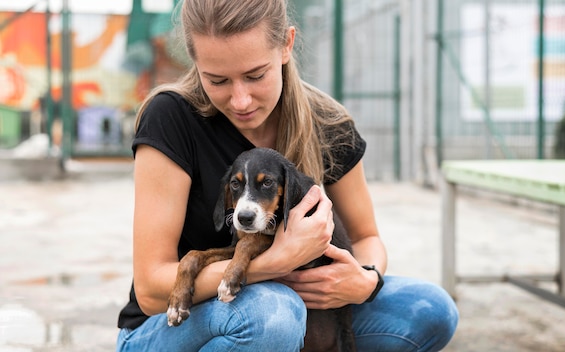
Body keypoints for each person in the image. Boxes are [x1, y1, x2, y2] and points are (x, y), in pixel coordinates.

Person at [116, 0, 458, 351]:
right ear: (194, 62)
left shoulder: (326, 121)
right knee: (273, 314)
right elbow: (150, 289)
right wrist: (274, 262)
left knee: (431, 308)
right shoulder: (170, 117)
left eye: (255, 75)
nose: (241, 100)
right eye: (217, 80)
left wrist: (365, 279)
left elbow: (366, 237)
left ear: (286, 45)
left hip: (299, 311)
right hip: (171, 329)